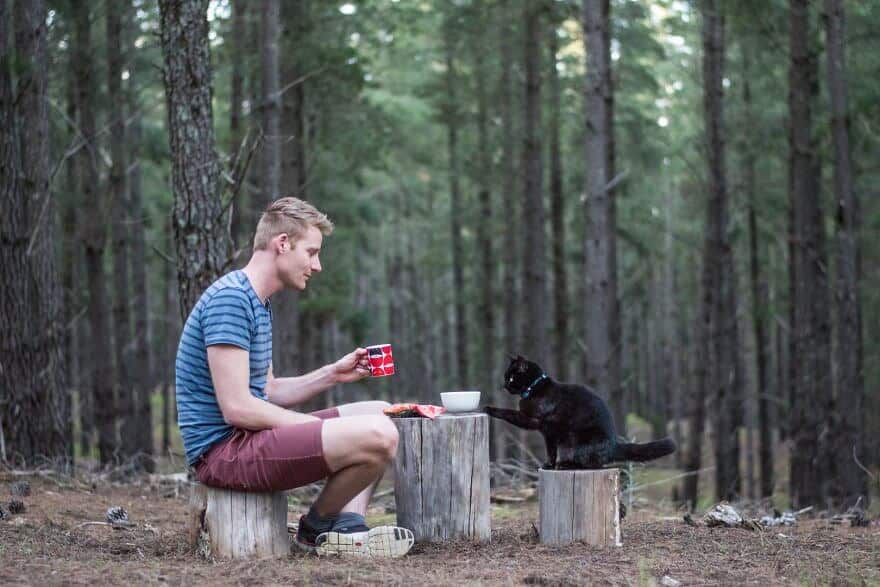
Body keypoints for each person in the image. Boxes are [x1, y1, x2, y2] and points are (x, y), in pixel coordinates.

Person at [175, 197, 413, 558]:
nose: (317, 266)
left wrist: (333, 374)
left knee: (382, 413)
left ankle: (347, 529)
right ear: (282, 244)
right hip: (223, 453)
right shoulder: (231, 300)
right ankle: (316, 527)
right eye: (312, 252)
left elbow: (266, 390)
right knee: (379, 436)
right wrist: (308, 429)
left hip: (248, 439)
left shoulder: (257, 301)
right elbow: (237, 408)